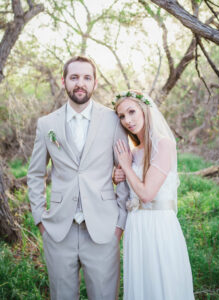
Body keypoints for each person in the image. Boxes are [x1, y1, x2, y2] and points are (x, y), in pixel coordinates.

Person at [27, 56, 129, 300]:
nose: (80, 83)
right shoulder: (46, 124)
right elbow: (35, 173)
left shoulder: (114, 120)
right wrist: (40, 219)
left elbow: (125, 169)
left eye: (86, 77)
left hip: (104, 229)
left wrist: (120, 223)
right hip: (59, 231)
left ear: (94, 83)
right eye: (74, 77)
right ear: (64, 81)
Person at [113, 90, 195, 300]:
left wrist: (125, 166)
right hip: (136, 227)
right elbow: (128, 183)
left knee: (162, 284)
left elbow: (147, 194)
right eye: (122, 116)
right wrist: (116, 175)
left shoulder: (164, 144)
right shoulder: (133, 152)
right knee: (142, 286)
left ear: (145, 110)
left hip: (158, 227)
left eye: (131, 112)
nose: (127, 120)